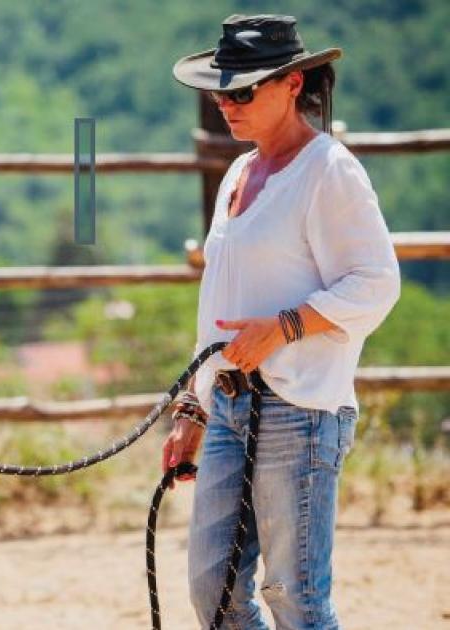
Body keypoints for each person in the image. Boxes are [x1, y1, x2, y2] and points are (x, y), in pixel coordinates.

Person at [162, 14, 401, 629]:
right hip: (229, 408)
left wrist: (284, 327)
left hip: (300, 409)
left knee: (296, 599)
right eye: (220, 92)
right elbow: (217, 301)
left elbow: (376, 282)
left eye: (243, 91)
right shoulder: (239, 175)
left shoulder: (329, 170)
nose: (227, 104)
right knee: (214, 595)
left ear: (292, 84)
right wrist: (194, 406)